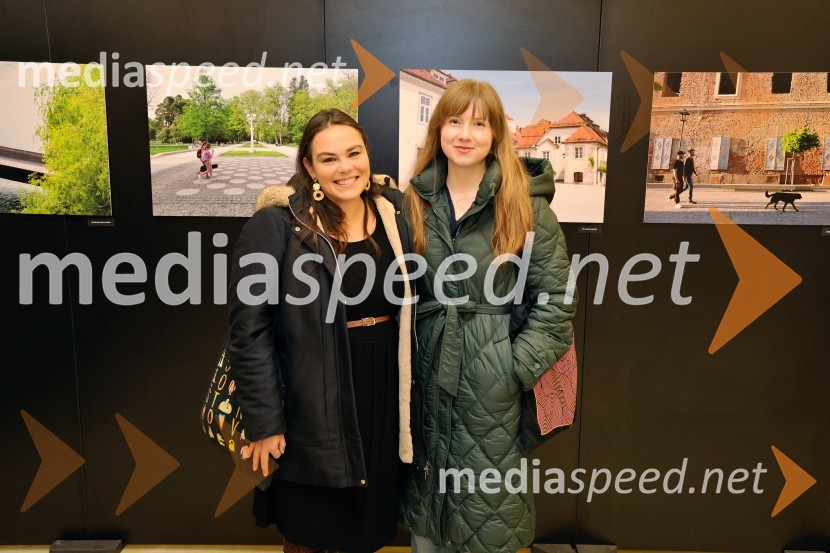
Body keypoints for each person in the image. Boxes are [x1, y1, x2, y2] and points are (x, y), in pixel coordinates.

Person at [227, 109, 422, 553]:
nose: (345, 167)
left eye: (354, 153)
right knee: (311, 531)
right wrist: (263, 420)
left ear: (367, 155)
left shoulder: (395, 216)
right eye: (329, 158)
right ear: (309, 167)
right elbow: (249, 329)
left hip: (382, 393)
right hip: (310, 403)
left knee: (368, 529)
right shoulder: (276, 225)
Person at [400, 80, 576, 552]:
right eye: (455, 121)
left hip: (492, 385)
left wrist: (510, 368)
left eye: (480, 123)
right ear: (439, 129)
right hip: (425, 372)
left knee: (488, 515)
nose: (465, 133)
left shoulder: (528, 205)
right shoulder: (414, 200)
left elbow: (556, 302)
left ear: (497, 133)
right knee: (427, 516)